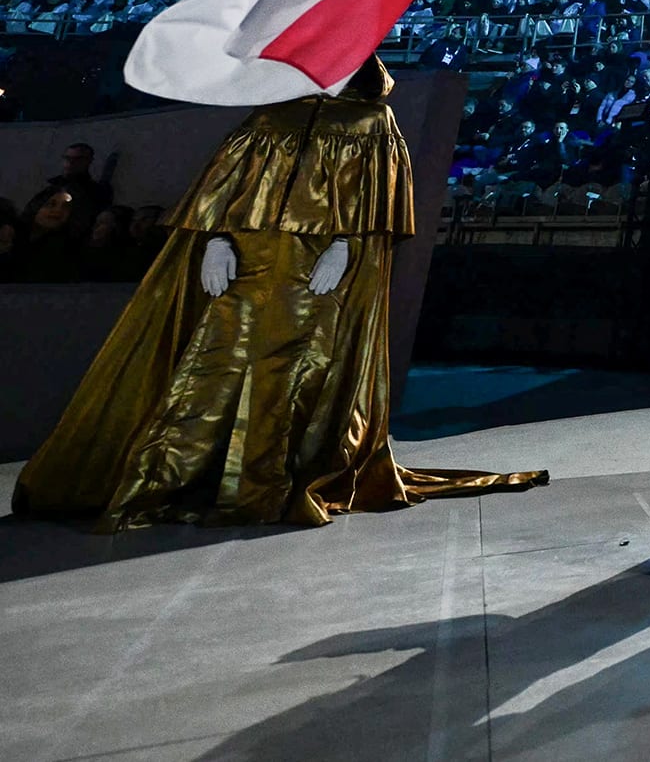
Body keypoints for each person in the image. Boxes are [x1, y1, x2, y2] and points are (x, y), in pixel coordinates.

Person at [13, 58, 545, 529]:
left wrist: (346, 244)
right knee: (212, 369)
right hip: (244, 265)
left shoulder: (372, 121)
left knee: (296, 372)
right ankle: (187, 475)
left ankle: (269, 479)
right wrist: (216, 239)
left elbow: (379, 197)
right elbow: (226, 183)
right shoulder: (271, 115)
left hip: (314, 273)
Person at [41, 141, 113, 218]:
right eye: (68, 158)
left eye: (78, 159)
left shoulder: (95, 191)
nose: (71, 162)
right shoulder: (52, 187)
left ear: (88, 161)